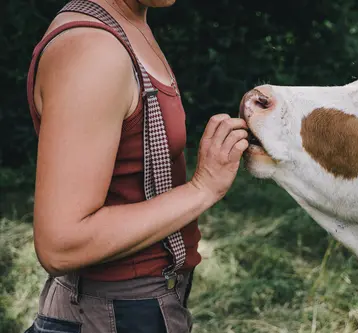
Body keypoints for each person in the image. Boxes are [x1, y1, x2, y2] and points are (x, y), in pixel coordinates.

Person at [24, 0, 249, 332]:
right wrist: (204, 188)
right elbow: (61, 244)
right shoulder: (93, 51)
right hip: (114, 314)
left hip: (135, 307)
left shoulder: (128, 24)